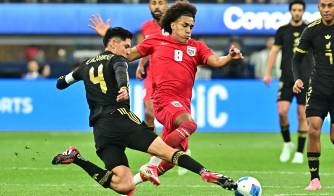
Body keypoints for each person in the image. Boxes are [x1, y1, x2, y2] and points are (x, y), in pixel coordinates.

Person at [51, 27, 238, 195]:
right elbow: (120, 70)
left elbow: (61, 83)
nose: (127, 51)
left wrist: (70, 76)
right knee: (168, 152)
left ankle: (77, 158)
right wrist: (123, 87)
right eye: (126, 46)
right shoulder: (118, 59)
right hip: (121, 120)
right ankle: (205, 173)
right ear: (113, 44)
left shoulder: (85, 65)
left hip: (100, 129)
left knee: (124, 185)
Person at [89, 1, 243, 186]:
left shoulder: (198, 47)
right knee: (189, 124)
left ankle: (132, 182)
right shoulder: (156, 41)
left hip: (182, 103)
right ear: (173, 25)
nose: (189, 30)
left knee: (173, 158)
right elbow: (127, 55)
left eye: (191, 26)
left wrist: (229, 57)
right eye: (184, 25)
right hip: (163, 100)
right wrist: (109, 38)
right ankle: (153, 164)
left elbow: (216, 61)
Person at [263, 0, 313, 164]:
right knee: (282, 111)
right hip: (286, 77)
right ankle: (287, 143)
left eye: (300, 10)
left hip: (305, 78)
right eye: (294, 9)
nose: (297, 12)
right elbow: (274, 51)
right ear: (290, 11)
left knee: (301, 114)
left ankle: (299, 152)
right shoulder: (283, 30)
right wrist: (268, 73)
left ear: (303, 11)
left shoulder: (310, 30)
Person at [292, 0, 334, 191]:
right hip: (318, 87)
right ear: (318, 7)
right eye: (323, 5)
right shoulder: (311, 30)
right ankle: (314, 179)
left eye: (330, 5)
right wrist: (298, 79)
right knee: (313, 129)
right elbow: (296, 59)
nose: (326, 10)